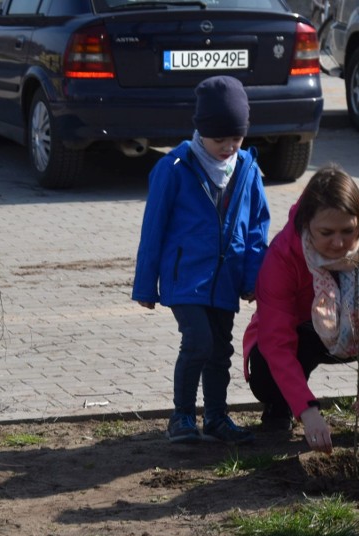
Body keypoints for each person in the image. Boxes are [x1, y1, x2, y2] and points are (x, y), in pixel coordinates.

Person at [132, 75, 271, 445]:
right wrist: (146, 284)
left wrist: (253, 278)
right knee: (197, 341)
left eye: (236, 139)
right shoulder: (174, 168)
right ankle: (180, 416)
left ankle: (216, 417)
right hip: (185, 278)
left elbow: (258, 228)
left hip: (226, 279)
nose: (228, 147)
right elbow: (153, 229)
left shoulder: (248, 170)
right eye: (219, 139)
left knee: (220, 349)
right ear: (200, 130)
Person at [242, 164, 359, 453]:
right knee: (266, 364)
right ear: (307, 224)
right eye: (327, 232)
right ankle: (281, 407)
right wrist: (307, 410)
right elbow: (276, 339)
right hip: (305, 332)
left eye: (349, 230)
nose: (339, 242)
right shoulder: (282, 254)